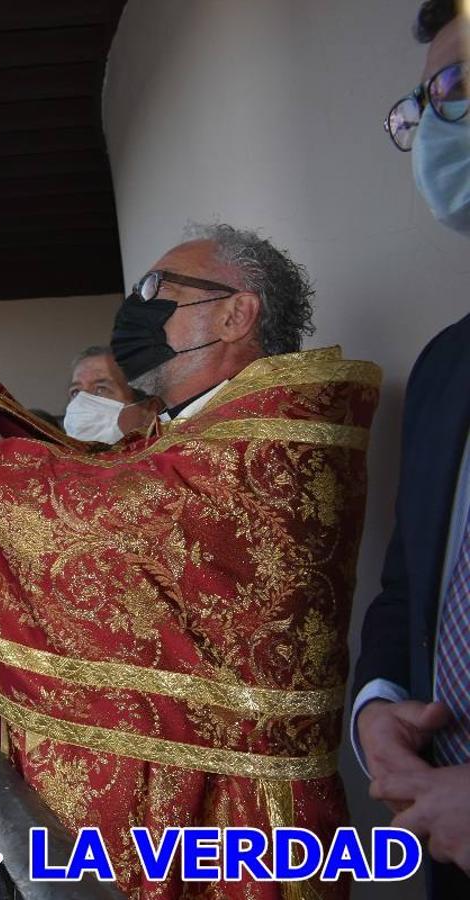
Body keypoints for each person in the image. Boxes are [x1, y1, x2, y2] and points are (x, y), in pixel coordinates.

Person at [0, 223, 378, 898]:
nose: (138, 310)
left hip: (240, 833)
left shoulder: (277, 438)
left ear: (237, 313)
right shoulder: (186, 429)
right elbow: (101, 475)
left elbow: (93, 515)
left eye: (160, 290)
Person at [351, 1, 470, 891]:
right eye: (424, 104)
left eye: (457, 85)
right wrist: (378, 710)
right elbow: (408, 593)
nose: (434, 125)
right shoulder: (444, 369)